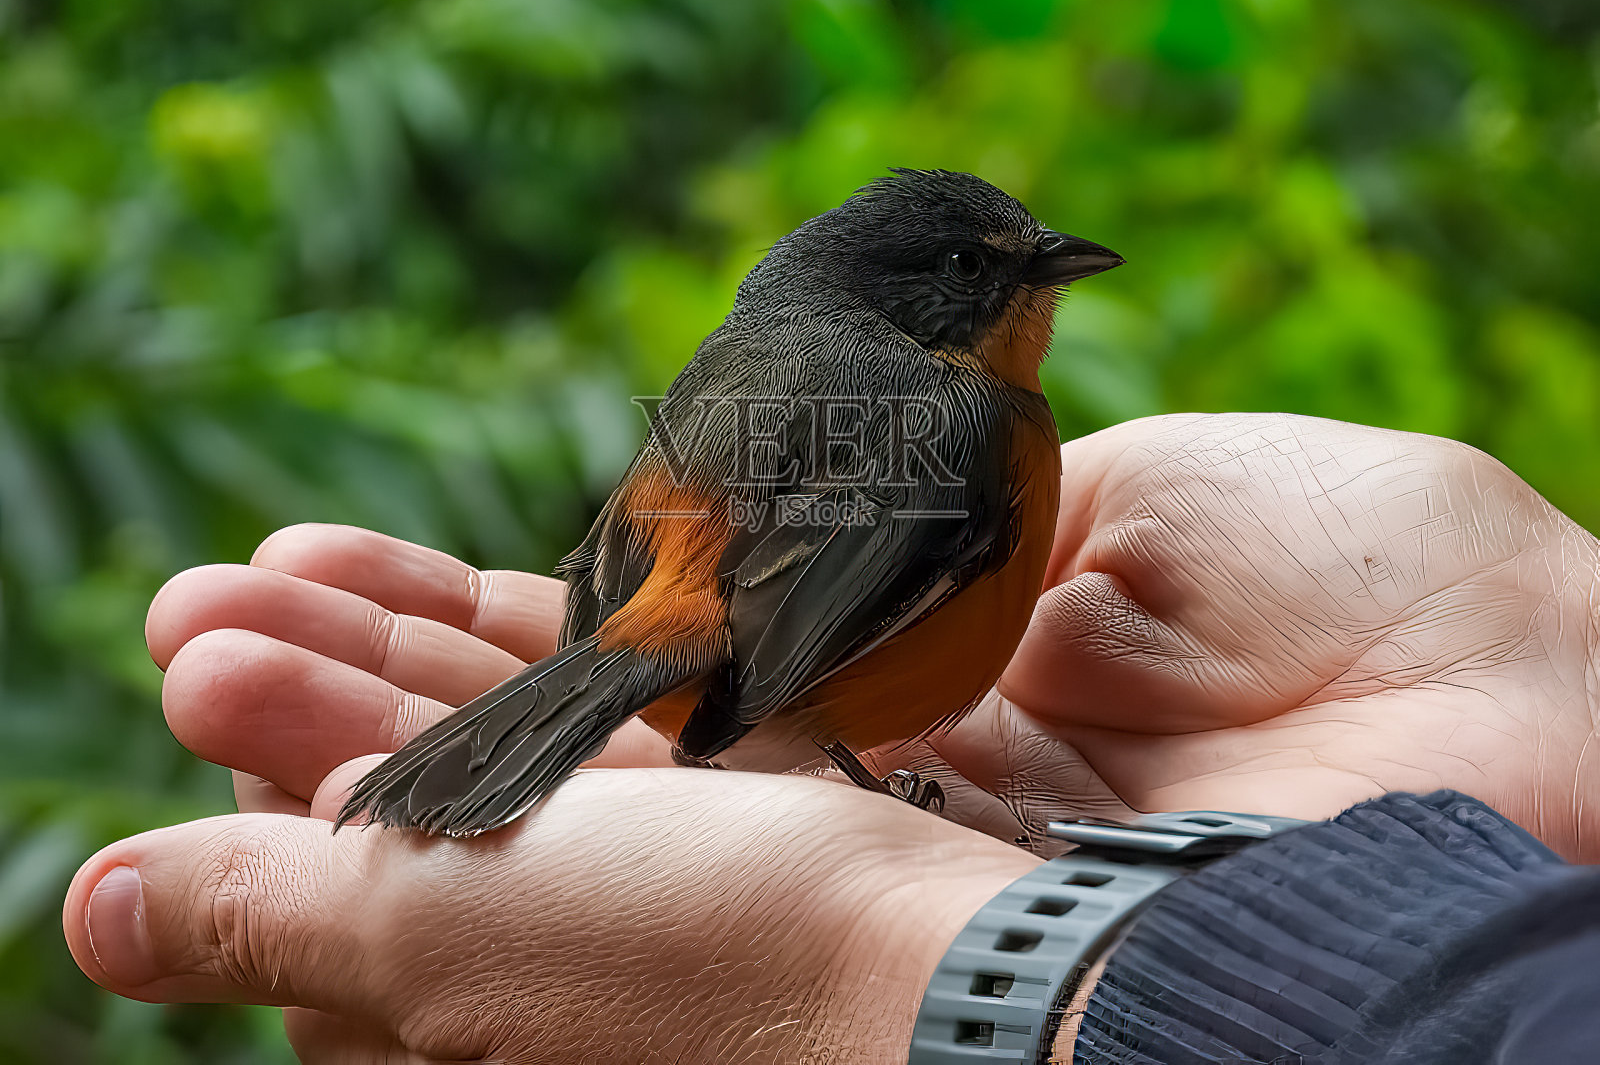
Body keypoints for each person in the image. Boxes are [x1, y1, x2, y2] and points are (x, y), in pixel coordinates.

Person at [62, 413, 1600, 1063]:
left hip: (666, 634)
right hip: (735, 650)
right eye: (984, 269)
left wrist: (915, 958)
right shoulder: (974, 426)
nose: (1038, 282)